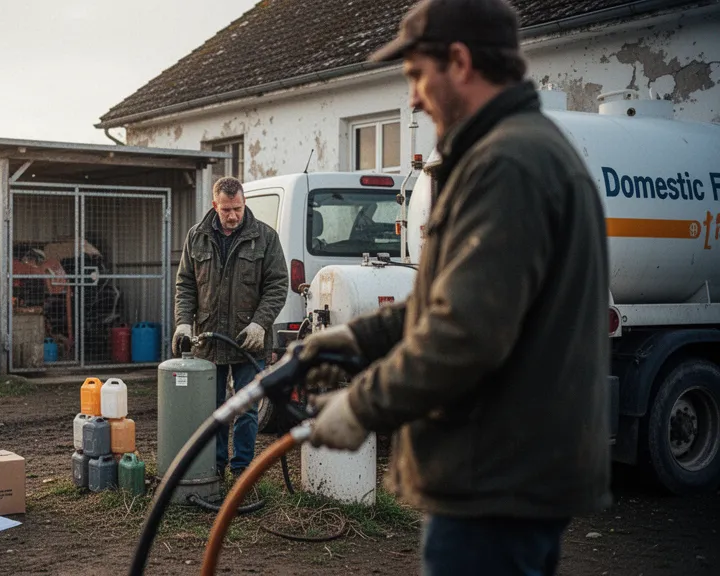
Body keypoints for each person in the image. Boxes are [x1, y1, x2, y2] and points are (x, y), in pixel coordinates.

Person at [297, 0, 613, 574]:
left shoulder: (508, 165)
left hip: (494, 481)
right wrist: (356, 339)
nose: (413, 98)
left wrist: (361, 406)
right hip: (506, 477)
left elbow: (465, 331)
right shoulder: (508, 154)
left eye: (418, 75)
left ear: (461, 62)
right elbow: (448, 301)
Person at [173, 176, 289, 479]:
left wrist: (259, 324)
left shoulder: (265, 237)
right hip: (209, 340)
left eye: (237, 208)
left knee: (247, 408)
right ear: (215, 205)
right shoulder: (197, 237)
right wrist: (183, 323)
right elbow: (186, 284)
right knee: (213, 408)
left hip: (248, 340)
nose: (233, 215)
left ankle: (242, 472)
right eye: (226, 210)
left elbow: (278, 286)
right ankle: (215, 468)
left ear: (244, 202)